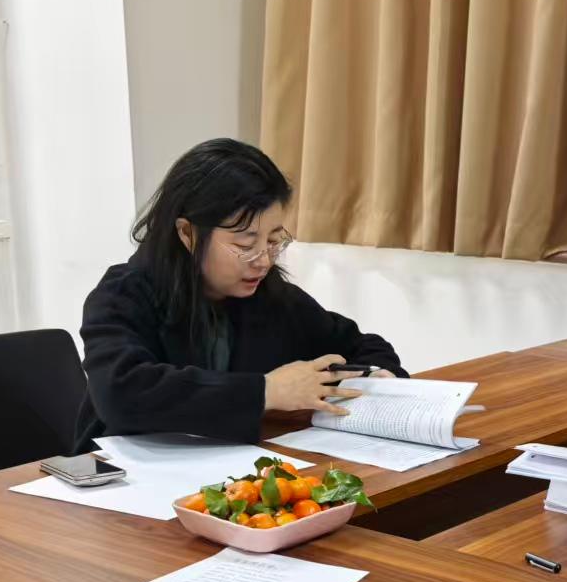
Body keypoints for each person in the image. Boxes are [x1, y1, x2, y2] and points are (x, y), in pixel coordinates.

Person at [73, 138, 403, 450]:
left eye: (273, 241)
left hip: (230, 467)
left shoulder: (272, 296)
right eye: (245, 245)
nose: (263, 261)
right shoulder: (124, 293)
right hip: (123, 473)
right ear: (187, 233)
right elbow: (121, 393)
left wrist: (378, 378)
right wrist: (266, 391)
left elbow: (361, 347)